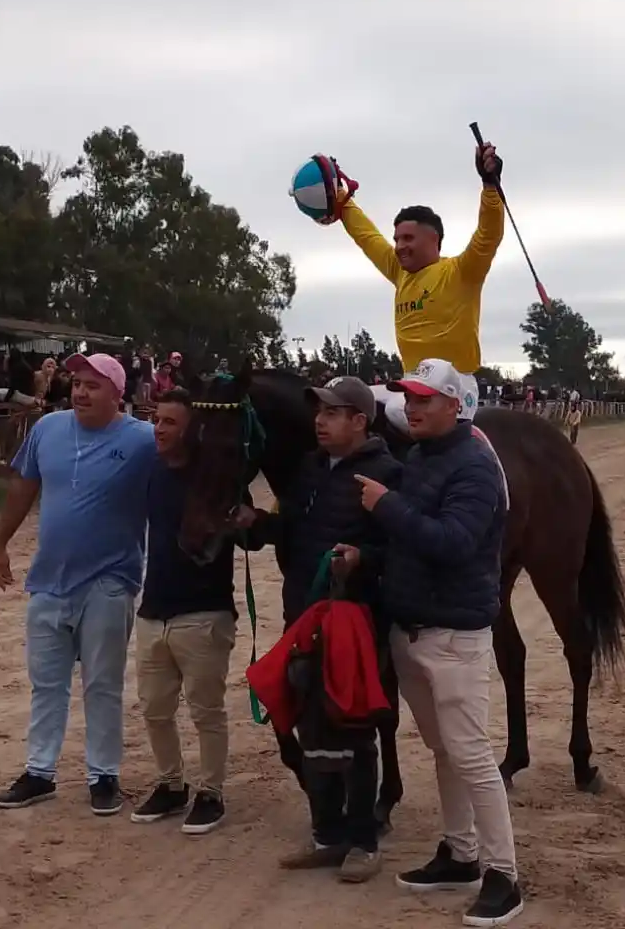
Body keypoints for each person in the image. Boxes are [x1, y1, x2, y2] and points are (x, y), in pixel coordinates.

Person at [353, 357, 523, 927]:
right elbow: (407, 543)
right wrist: (367, 555)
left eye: (426, 399)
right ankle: (460, 852)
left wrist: (387, 506)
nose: (413, 407)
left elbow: (452, 542)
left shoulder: (475, 467)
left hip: (454, 636)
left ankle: (504, 874)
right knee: (445, 750)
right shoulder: (422, 457)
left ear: (457, 405)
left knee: (471, 754)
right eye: (410, 397)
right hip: (414, 628)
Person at [237, 376, 399, 883]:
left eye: (331, 414)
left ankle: (365, 842)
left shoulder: (386, 473)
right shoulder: (308, 470)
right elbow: (290, 530)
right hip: (303, 616)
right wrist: (256, 523)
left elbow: (398, 549)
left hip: (354, 621)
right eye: (318, 413)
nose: (320, 422)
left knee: (353, 730)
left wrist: (363, 559)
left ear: (359, 421)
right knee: (310, 726)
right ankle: (327, 835)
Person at [0, 352, 156, 815]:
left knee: (102, 684)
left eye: (94, 385)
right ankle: (40, 772)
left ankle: (104, 774)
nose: (81, 392)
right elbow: (24, 485)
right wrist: (0, 542)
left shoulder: (143, 440)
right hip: (48, 580)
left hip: (110, 579)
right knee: (46, 684)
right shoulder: (48, 429)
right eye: (77, 382)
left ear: (117, 394)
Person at [329, 141, 505, 416]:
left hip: (454, 387)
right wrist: (341, 200)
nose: (399, 246)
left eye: (408, 238)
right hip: (410, 384)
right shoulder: (400, 271)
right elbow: (367, 236)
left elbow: (488, 235)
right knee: (342, 402)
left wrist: (490, 187)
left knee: (397, 412)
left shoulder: (462, 271)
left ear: (433, 239)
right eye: (397, 239)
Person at [131, 388, 237, 835]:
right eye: (156, 419)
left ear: (193, 430)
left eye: (170, 422)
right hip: (153, 609)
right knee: (154, 708)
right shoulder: (153, 472)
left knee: (205, 710)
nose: (158, 428)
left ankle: (210, 792)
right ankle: (171, 784)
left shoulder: (217, 478)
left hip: (204, 612)